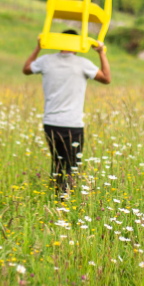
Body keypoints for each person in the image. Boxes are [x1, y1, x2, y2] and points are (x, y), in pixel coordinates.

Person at [22, 29, 111, 196]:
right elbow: (106, 78)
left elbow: (26, 69)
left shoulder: (46, 61)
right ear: (77, 45)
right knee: (71, 166)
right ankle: (64, 202)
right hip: (73, 125)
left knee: (57, 163)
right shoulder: (83, 64)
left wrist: (38, 47)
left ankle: (56, 199)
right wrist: (101, 53)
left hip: (50, 123)